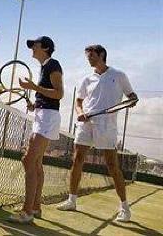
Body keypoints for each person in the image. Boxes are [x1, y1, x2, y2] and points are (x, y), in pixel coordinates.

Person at [56, 44, 138, 222]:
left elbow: (132, 96)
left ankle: (125, 208)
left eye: (92, 56)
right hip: (86, 124)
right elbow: (79, 101)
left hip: (107, 126)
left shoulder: (119, 75)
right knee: (77, 159)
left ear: (101, 55)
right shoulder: (87, 79)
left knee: (111, 165)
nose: (89, 59)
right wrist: (80, 113)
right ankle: (72, 200)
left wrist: (132, 100)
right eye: (88, 56)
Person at [8, 36, 64, 223]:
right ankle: (35, 207)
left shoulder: (53, 64)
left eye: (35, 45)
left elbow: (59, 93)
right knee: (36, 164)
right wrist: (35, 104)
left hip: (48, 118)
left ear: (45, 47)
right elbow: (48, 95)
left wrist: (33, 87)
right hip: (42, 115)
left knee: (28, 161)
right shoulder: (44, 67)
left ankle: (26, 212)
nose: (32, 47)